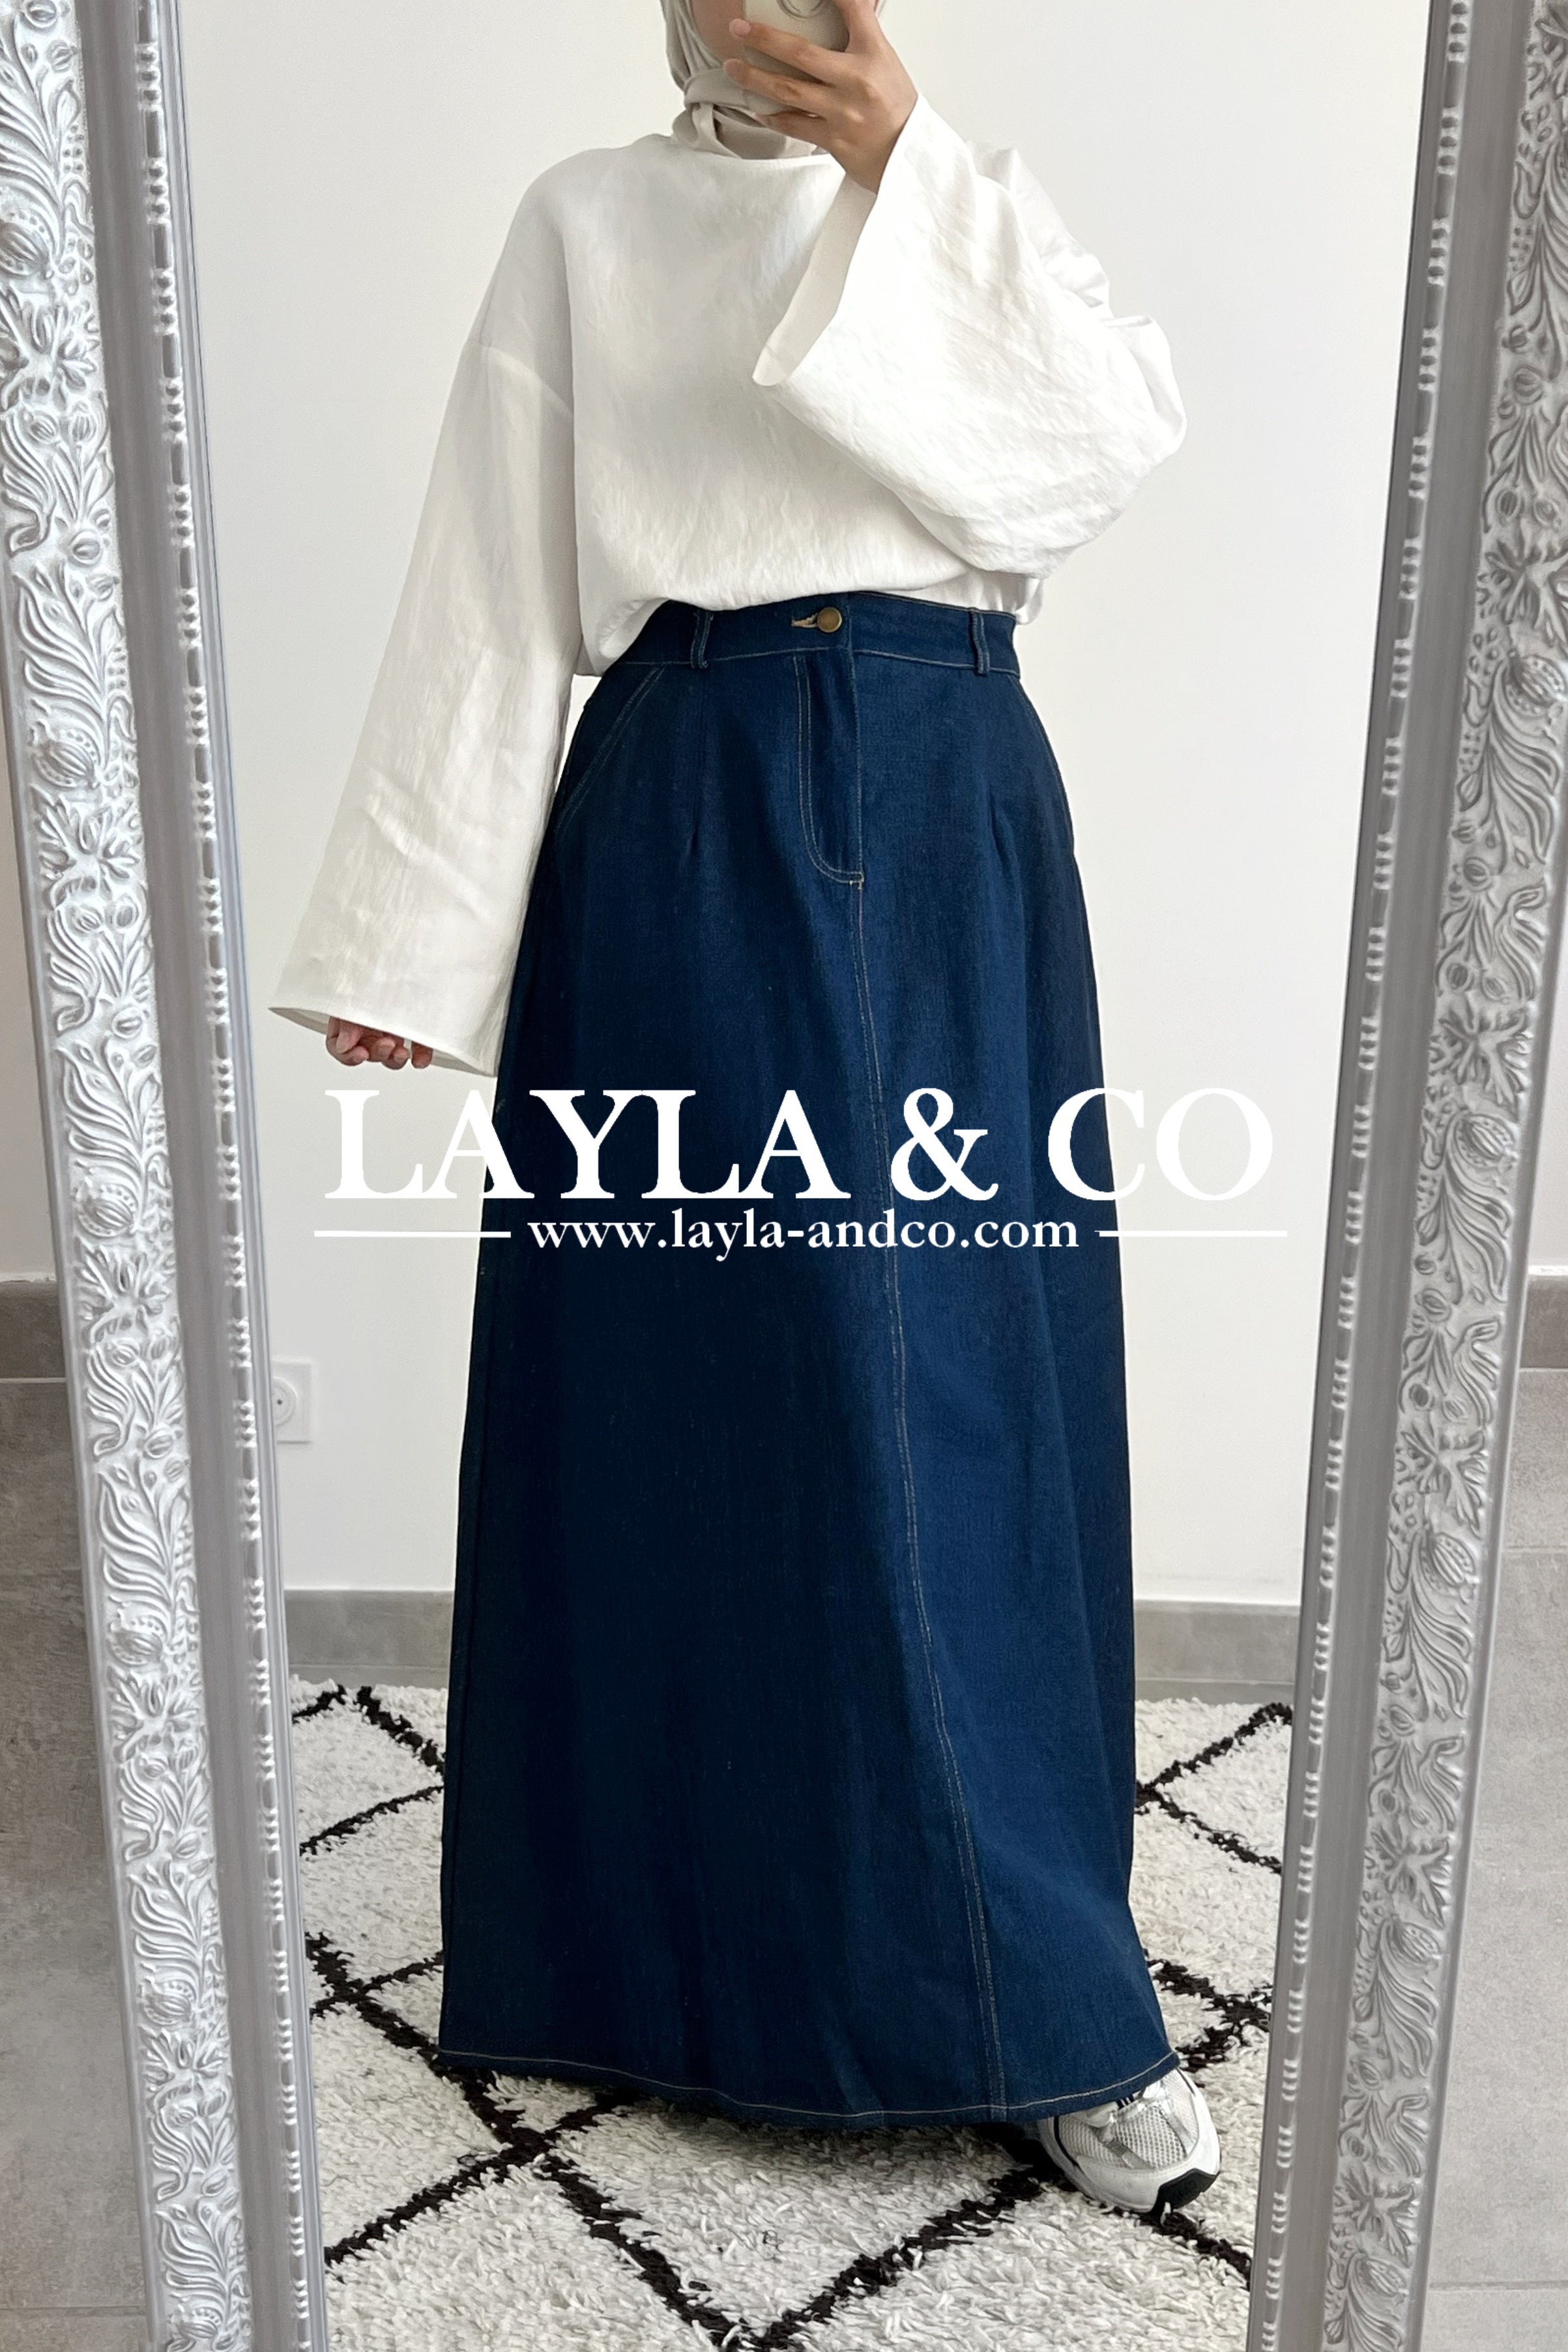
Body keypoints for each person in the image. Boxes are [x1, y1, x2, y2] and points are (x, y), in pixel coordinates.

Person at [273, 0, 1219, 2220]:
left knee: (957, 1387)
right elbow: (496, 574)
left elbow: (1094, 453)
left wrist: (906, 165)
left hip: (950, 796)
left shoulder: (975, 211)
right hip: (683, 796)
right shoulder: (584, 223)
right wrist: (417, 937)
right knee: (684, 1374)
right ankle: (646, 1961)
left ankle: (1046, 2000)